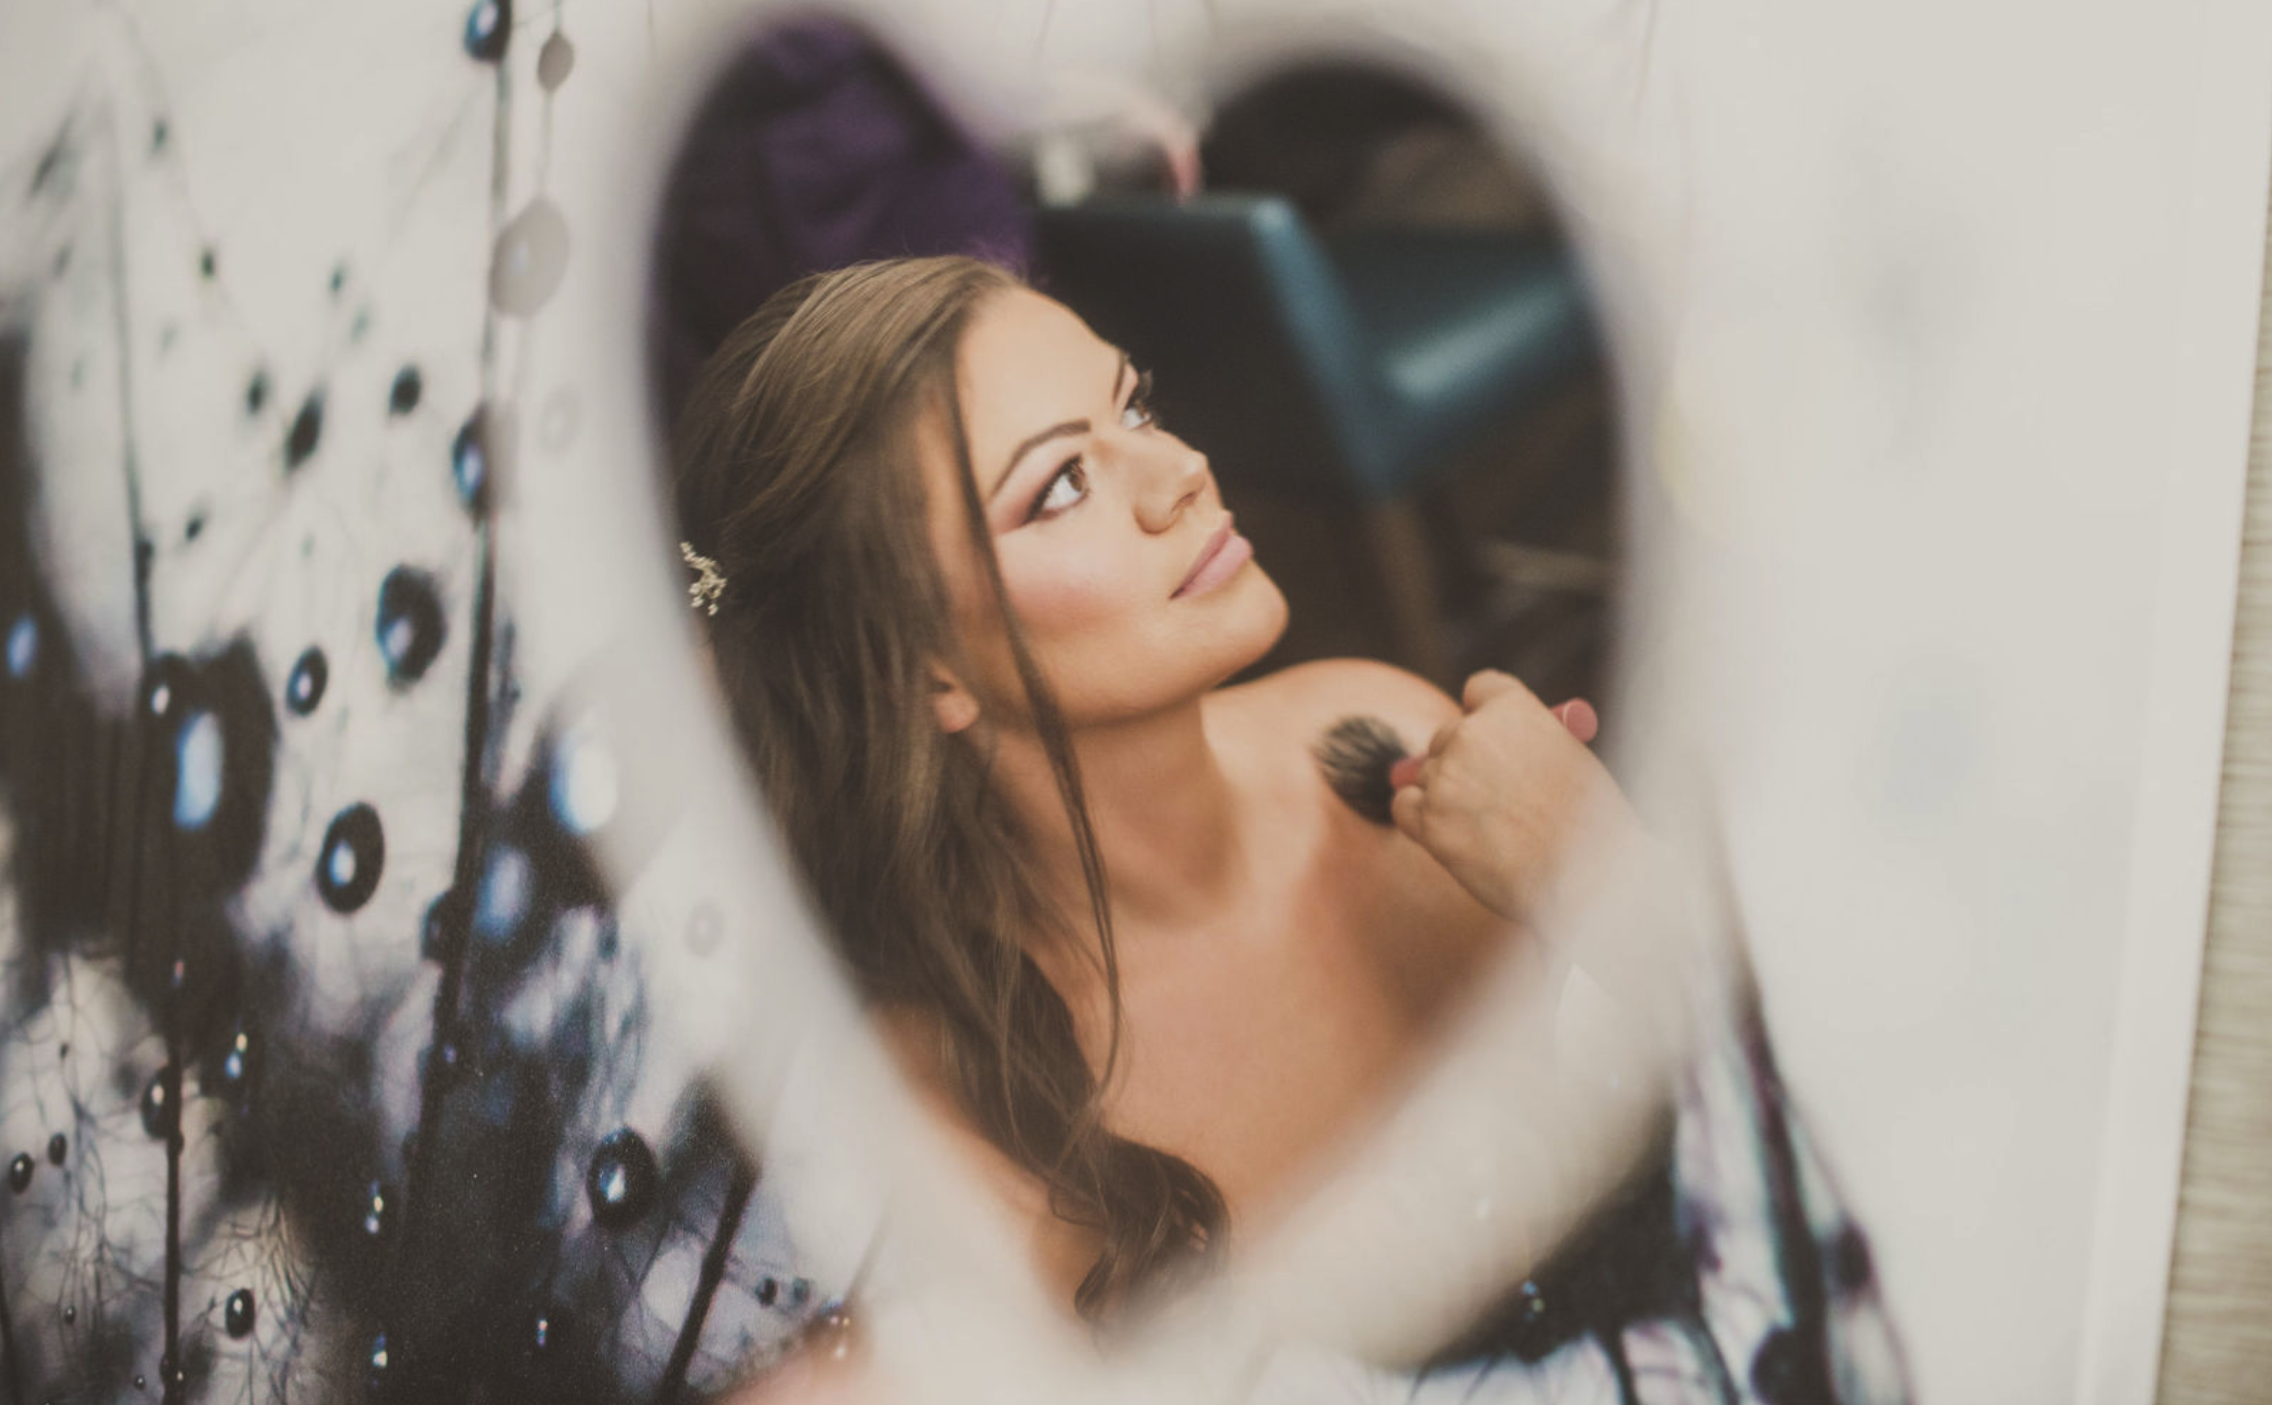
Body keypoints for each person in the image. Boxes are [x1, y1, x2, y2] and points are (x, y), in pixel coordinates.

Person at [673, 256, 1907, 1402]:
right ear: (925, 667)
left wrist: (1600, 872)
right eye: (1060, 484)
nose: (1179, 473)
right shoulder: (953, 1139)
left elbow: (1802, 1179)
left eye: (1136, 407)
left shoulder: (1373, 741)